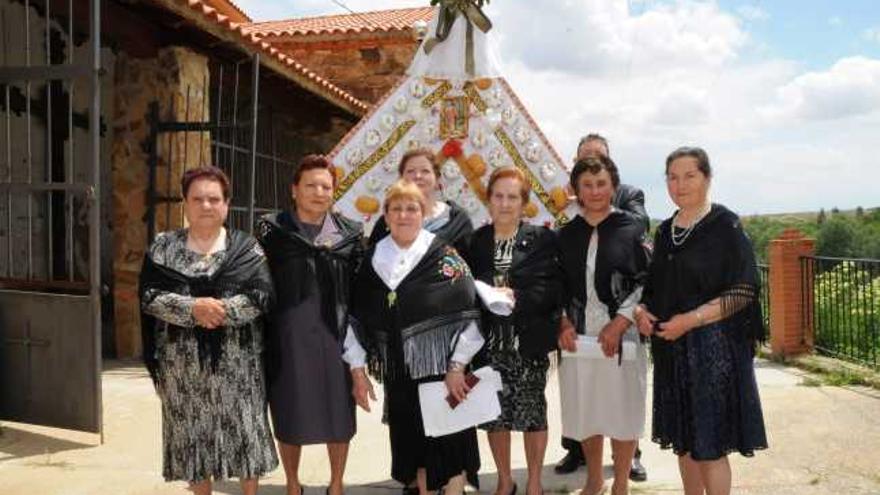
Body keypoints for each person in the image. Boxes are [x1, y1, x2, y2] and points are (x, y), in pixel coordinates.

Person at [634, 147, 767, 495]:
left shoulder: (725, 225)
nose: (680, 185)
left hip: (714, 349)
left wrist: (691, 321)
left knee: (710, 445)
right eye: (673, 178)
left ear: (707, 178)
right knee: (685, 443)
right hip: (673, 352)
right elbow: (653, 289)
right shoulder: (664, 232)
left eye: (689, 176)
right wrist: (641, 312)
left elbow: (744, 289)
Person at [139, 166, 278, 495]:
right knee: (193, 437)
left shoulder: (247, 249)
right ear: (184, 203)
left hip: (239, 365)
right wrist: (191, 309)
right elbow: (148, 296)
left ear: (226, 205)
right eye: (197, 198)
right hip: (182, 368)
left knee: (245, 436)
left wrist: (219, 312)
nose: (206, 206)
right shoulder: (163, 248)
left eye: (214, 199)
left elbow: (263, 296)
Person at [350, 179, 483, 495]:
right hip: (401, 375)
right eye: (396, 208)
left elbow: (472, 315)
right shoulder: (371, 261)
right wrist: (358, 368)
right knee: (415, 452)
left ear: (423, 214)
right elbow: (355, 318)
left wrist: (457, 367)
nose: (404, 215)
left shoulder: (445, 257)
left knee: (451, 450)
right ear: (385, 214)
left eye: (412, 208)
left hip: (442, 373)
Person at [256, 155, 371, 495]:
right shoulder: (272, 229)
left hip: (335, 336)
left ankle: (336, 484)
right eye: (311, 185)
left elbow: (361, 288)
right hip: (287, 337)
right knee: (290, 411)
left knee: (339, 414)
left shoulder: (350, 233)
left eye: (326, 186)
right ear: (294, 190)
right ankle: (293, 484)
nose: (318, 192)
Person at [556, 133, 649, 481]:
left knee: (622, 411)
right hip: (578, 337)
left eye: (601, 183)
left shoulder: (631, 228)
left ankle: (621, 483)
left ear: (613, 187)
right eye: (587, 184)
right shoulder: (565, 234)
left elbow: (644, 280)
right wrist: (563, 322)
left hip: (619, 337)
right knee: (587, 411)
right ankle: (594, 480)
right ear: (576, 189)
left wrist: (620, 322)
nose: (594, 191)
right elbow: (557, 285)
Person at [463, 167, 562, 495]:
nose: (505, 203)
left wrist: (516, 297)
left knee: (533, 414)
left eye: (512, 197)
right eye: (499, 196)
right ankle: (505, 480)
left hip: (527, 342)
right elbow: (465, 290)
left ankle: (534, 482)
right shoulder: (476, 241)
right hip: (488, 346)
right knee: (495, 417)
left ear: (524, 203)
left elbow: (552, 289)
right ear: (489, 200)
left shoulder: (541, 240)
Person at [368, 148, 473, 254]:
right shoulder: (389, 220)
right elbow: (370, 262)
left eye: (425, 171)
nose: (418, 176)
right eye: (410, 171)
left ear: (437, 180)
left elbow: (468, 266)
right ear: (401, 179)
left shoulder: (458, 221)